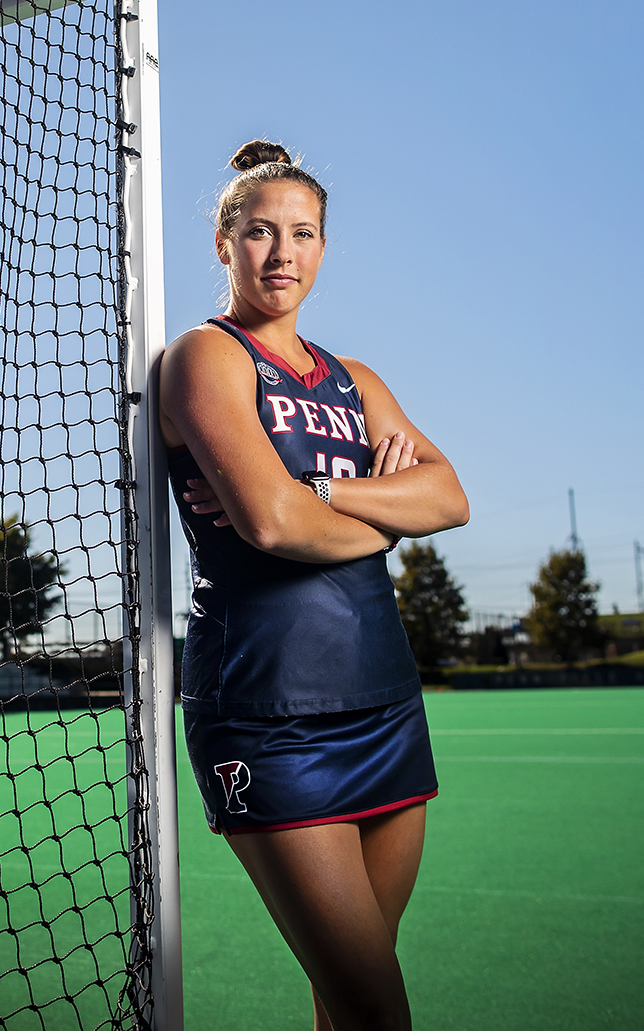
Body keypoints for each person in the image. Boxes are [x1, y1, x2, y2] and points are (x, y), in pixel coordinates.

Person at [160, 140, 470, 1031]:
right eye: (260, 232)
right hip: (268, 713)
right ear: (225, 243)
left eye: (302, 233)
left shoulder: (354, 378)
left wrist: (327, 494)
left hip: (383, 701)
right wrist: (385, 513)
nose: (282, 253)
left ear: (325, 248)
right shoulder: (204, 359)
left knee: (348, 998)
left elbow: (448, 497)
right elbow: (270, 524)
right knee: (378, 1009)